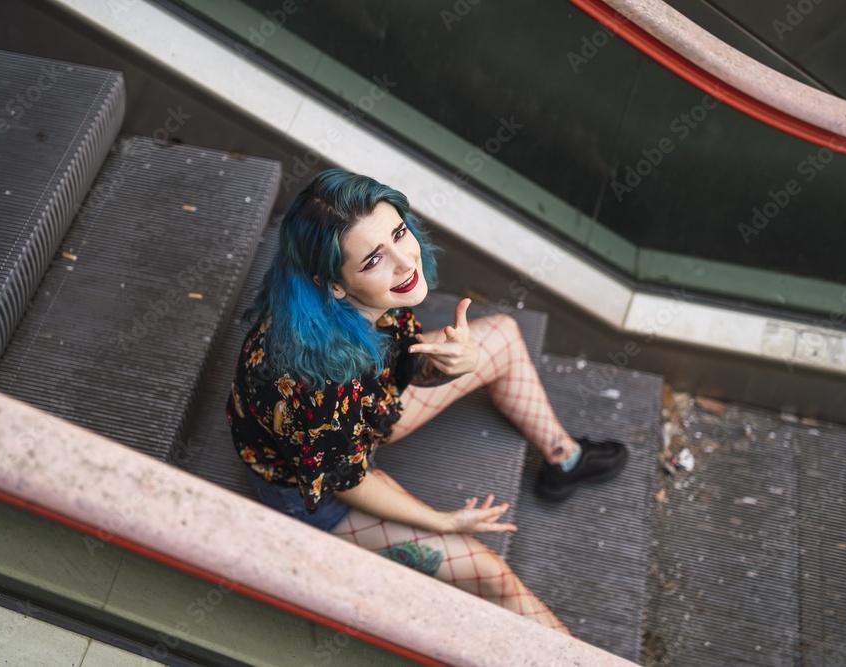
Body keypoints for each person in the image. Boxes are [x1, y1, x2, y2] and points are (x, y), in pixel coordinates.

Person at [227, 169, 627, 632]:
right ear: (333, 283)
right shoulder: (313, 383)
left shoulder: (368, 297)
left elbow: (403, 363)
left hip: (365, 416)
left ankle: (564, 458)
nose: (405, 262)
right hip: (314, 484)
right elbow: (347, 479)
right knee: (490, 573)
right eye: (375, 259)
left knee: (502, 335)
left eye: (399, 233)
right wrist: (441, 521)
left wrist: (453, 363)